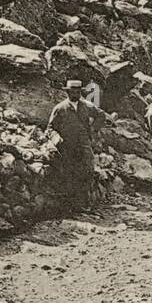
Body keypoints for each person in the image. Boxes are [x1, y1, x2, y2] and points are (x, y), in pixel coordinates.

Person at [47, 79, 104, 211]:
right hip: (67, 146)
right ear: (67, 92)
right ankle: (70, 206)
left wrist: (93, 130)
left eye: (78, 91)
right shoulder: (60, 108)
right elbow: (50, 128)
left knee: (88, 170)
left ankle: (83, 203)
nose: (75, 94)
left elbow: (101, 115)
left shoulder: (86, 106)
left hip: (84, 145)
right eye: (72, 91)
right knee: (69, 174)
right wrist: (56, 138)